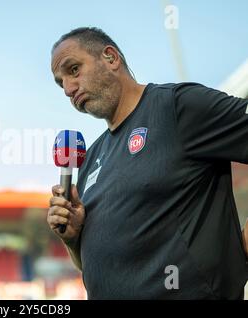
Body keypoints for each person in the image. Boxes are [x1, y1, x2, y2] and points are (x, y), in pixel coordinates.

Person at [47, 27, 248, 299]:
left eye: (73, 70)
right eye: (61, 84)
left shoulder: (177, 107)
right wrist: (73, 239)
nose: (69, 89)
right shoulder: (91, 158)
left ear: (110, 58)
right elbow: (92, 266)